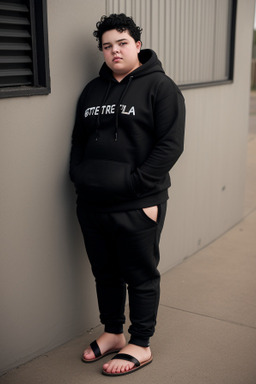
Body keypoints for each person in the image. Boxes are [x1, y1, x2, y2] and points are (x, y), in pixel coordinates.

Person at [69, 13, 185, 376]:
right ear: (102, 51)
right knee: (105, 273)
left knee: (140, 274)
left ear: (137, 44)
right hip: (92, 203)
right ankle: (113, 333)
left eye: (121, 43)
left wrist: (136, 186)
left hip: (138, 203)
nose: (114, 51)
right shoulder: (91, 90)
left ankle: (140, 342)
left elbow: (170, 146)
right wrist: (80, 177)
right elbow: (78, 142)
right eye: (107, 46)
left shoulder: (160, 87)